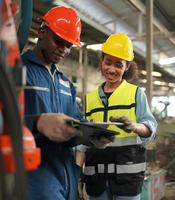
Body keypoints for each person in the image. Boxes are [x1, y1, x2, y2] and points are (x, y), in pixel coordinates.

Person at [81, 33, 157, 200]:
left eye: (118, 65)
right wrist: (77, 176)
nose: (112, 69)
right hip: (96, 179)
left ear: (127, 66)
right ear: (102, 61)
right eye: (108, 62)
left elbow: (150, 126)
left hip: (127, 179)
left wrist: (135, 127)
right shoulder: (89, 99)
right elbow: (83, 143)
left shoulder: (136, 94)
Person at [23, 6, 84, 199]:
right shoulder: (16, 70)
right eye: (59, 41)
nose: (63, 50)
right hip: (33, 180)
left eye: (68, 46)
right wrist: (37, 122)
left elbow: (75, 122)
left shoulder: (66, 83)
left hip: (67, 177)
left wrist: (91, 135)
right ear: (41, 31)